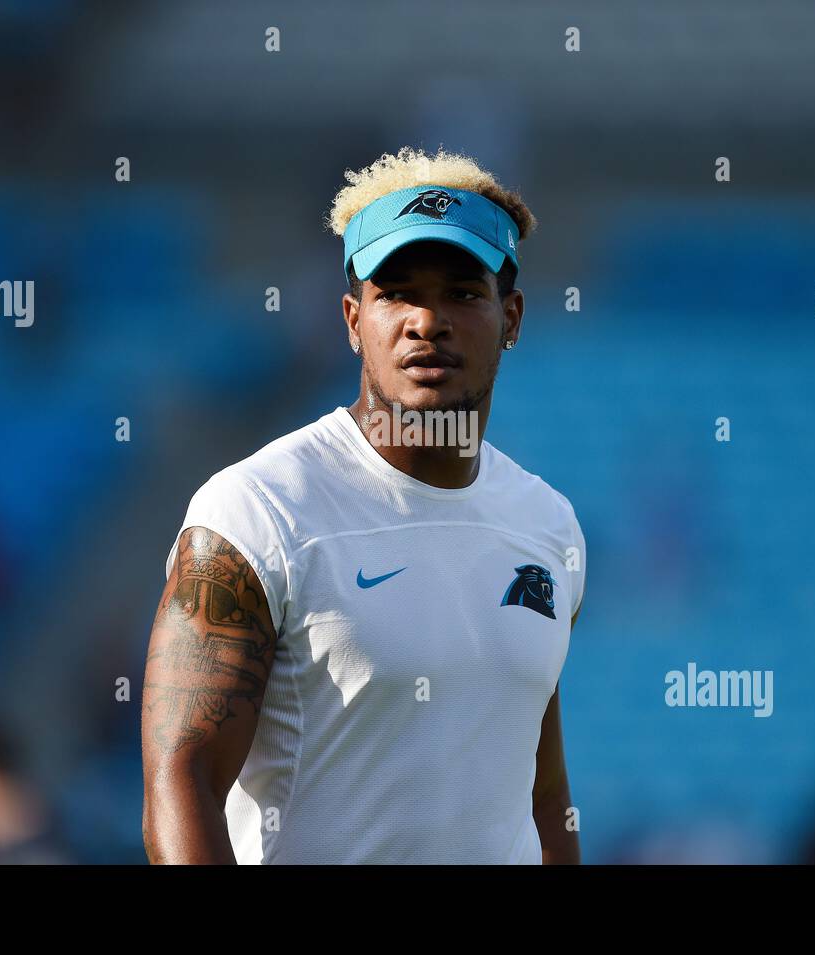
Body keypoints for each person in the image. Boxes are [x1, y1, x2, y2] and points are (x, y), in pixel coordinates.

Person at [141, 146, 586, 864]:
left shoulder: (548, 525)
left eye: (463, 293)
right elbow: (181, 776)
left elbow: (541, 795)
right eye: (397, 292)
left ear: (513, 316)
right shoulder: (258, 510)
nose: (426, 320)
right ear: (353, 319)